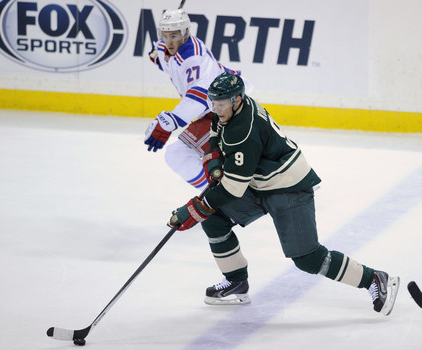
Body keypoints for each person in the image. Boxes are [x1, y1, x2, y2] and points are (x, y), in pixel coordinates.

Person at [168, 72, 400, 315]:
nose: (216, 109)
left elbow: (232, 189)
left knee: (308, 258)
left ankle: (374, 279)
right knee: (214, 219)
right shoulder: (231, 109)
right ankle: (236, 283)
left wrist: (193, 208)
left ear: (237, 100)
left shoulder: (242, 131)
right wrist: (214, 159)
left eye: (221, 103)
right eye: (213, 103)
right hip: (259, 182)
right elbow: (215, 132)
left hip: (288, 186)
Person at [145, 8, 251, 189]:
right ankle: (221, 198)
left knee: (179, 154)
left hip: (231, 109)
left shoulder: (194, 59)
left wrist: (169, 122)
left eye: (174, 36)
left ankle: (219, 200)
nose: (169, 42)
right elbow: (170, 62)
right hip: (216, 109)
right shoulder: (167, 48)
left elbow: (199, 95)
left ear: (186, 32)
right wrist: (158, 59)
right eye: (165, 35)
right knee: (227, 160)